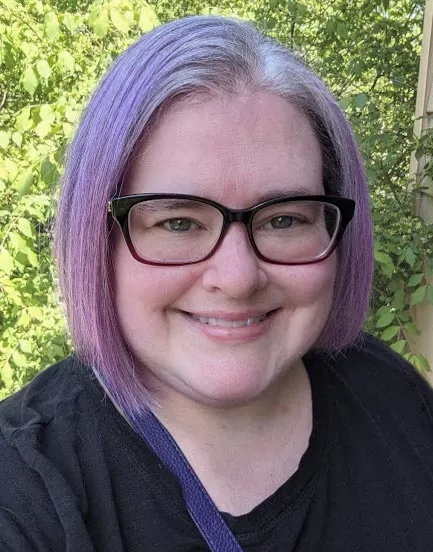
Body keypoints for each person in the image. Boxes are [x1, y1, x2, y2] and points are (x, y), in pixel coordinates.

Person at [1, 14, 433, 552]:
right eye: (177, 223)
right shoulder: (25, 490)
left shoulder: (395, 398)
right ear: (96, 240)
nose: (238, 278)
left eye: (284, 219)